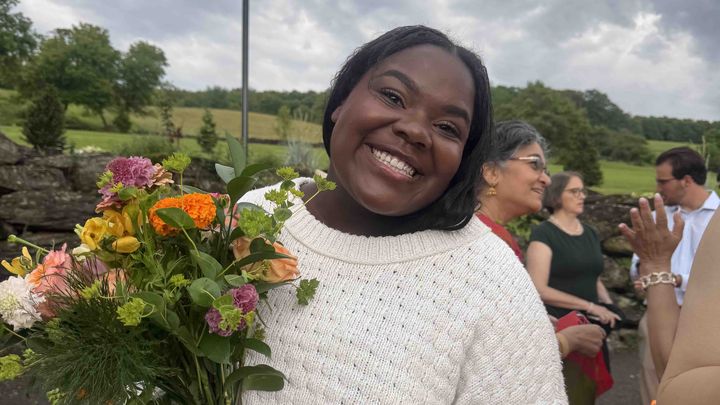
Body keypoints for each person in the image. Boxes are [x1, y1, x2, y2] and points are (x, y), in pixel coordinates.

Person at [241, 26, 567, 404]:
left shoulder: (493, 286)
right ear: (341, 101)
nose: (414, 131)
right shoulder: (250, 213)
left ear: (464, 158)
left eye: (447, 127)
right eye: (393, 96)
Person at [476, 120, 605, 360]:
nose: (546, 180)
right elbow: (487, 349)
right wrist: (565, 341)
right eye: (535, 164)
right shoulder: (479, 243)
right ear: (492, 172)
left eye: (546, 170)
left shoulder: (490, 235)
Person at [629, 147, 719, 404]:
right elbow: (639, 264)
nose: (657, 188)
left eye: (663, 181)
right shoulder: (657, 217)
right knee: (653, 386)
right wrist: (643, 272)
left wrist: (674, 279)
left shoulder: (717, 217)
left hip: (707, 323)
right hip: (657, 313)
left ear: (686, 180)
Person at [526, 172, 620, 403]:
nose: (582, 196)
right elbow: (539, 288)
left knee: (587, 394)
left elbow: (593, 276)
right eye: (574, 191)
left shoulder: (590, 233)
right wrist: (591, 306)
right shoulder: (544, 234)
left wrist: (608, 306)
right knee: (565, 394)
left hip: (590, 326)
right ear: (557, 195)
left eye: (582, 191)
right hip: (561, 326)